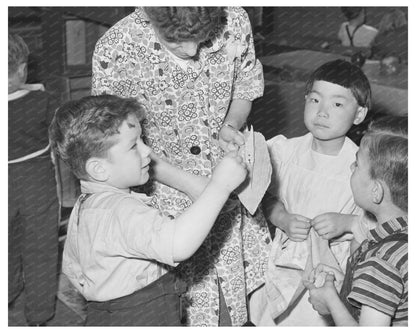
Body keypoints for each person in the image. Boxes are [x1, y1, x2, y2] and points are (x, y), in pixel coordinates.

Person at [91, 7, 271, 326]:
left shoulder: (235, 19)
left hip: (229, 185)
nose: (192, 51)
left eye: (201, 40)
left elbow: (245, 87)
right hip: (163, 196)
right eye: (177, 40)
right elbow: (118, 148)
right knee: (182, 310)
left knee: (233, 306)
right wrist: (202, 189)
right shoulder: (117, 48)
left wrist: (229, 125)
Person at [48, 94, 248, 326]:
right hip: (140, 317)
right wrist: (220, 185)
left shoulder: (86, 207)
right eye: (134, 145)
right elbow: (178, 244)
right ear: (99, 169)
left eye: (142, 140)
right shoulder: (120, 211)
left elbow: (73, 271)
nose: (147, 152)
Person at [249, 59, 376, 326]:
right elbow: (261, 195)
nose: (323, 112)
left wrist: (346, 223)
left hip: (330, 270)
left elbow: (380, 221)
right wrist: (281, 217)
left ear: (359, 115)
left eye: (337, 104)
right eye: (315, 100)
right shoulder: (285, 152)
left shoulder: (362, 165)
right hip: (283, 264)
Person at [305, 116, 408, 326]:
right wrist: (347, 284)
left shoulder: (381, 261)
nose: (351, 168)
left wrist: (330, 302)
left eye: (357, 164)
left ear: (376, 192)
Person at [8, 33, 60, 326]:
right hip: (35, 177)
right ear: (22, 69)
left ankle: (8, 292)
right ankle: (39, 314)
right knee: (40, 245)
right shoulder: (43, 100)